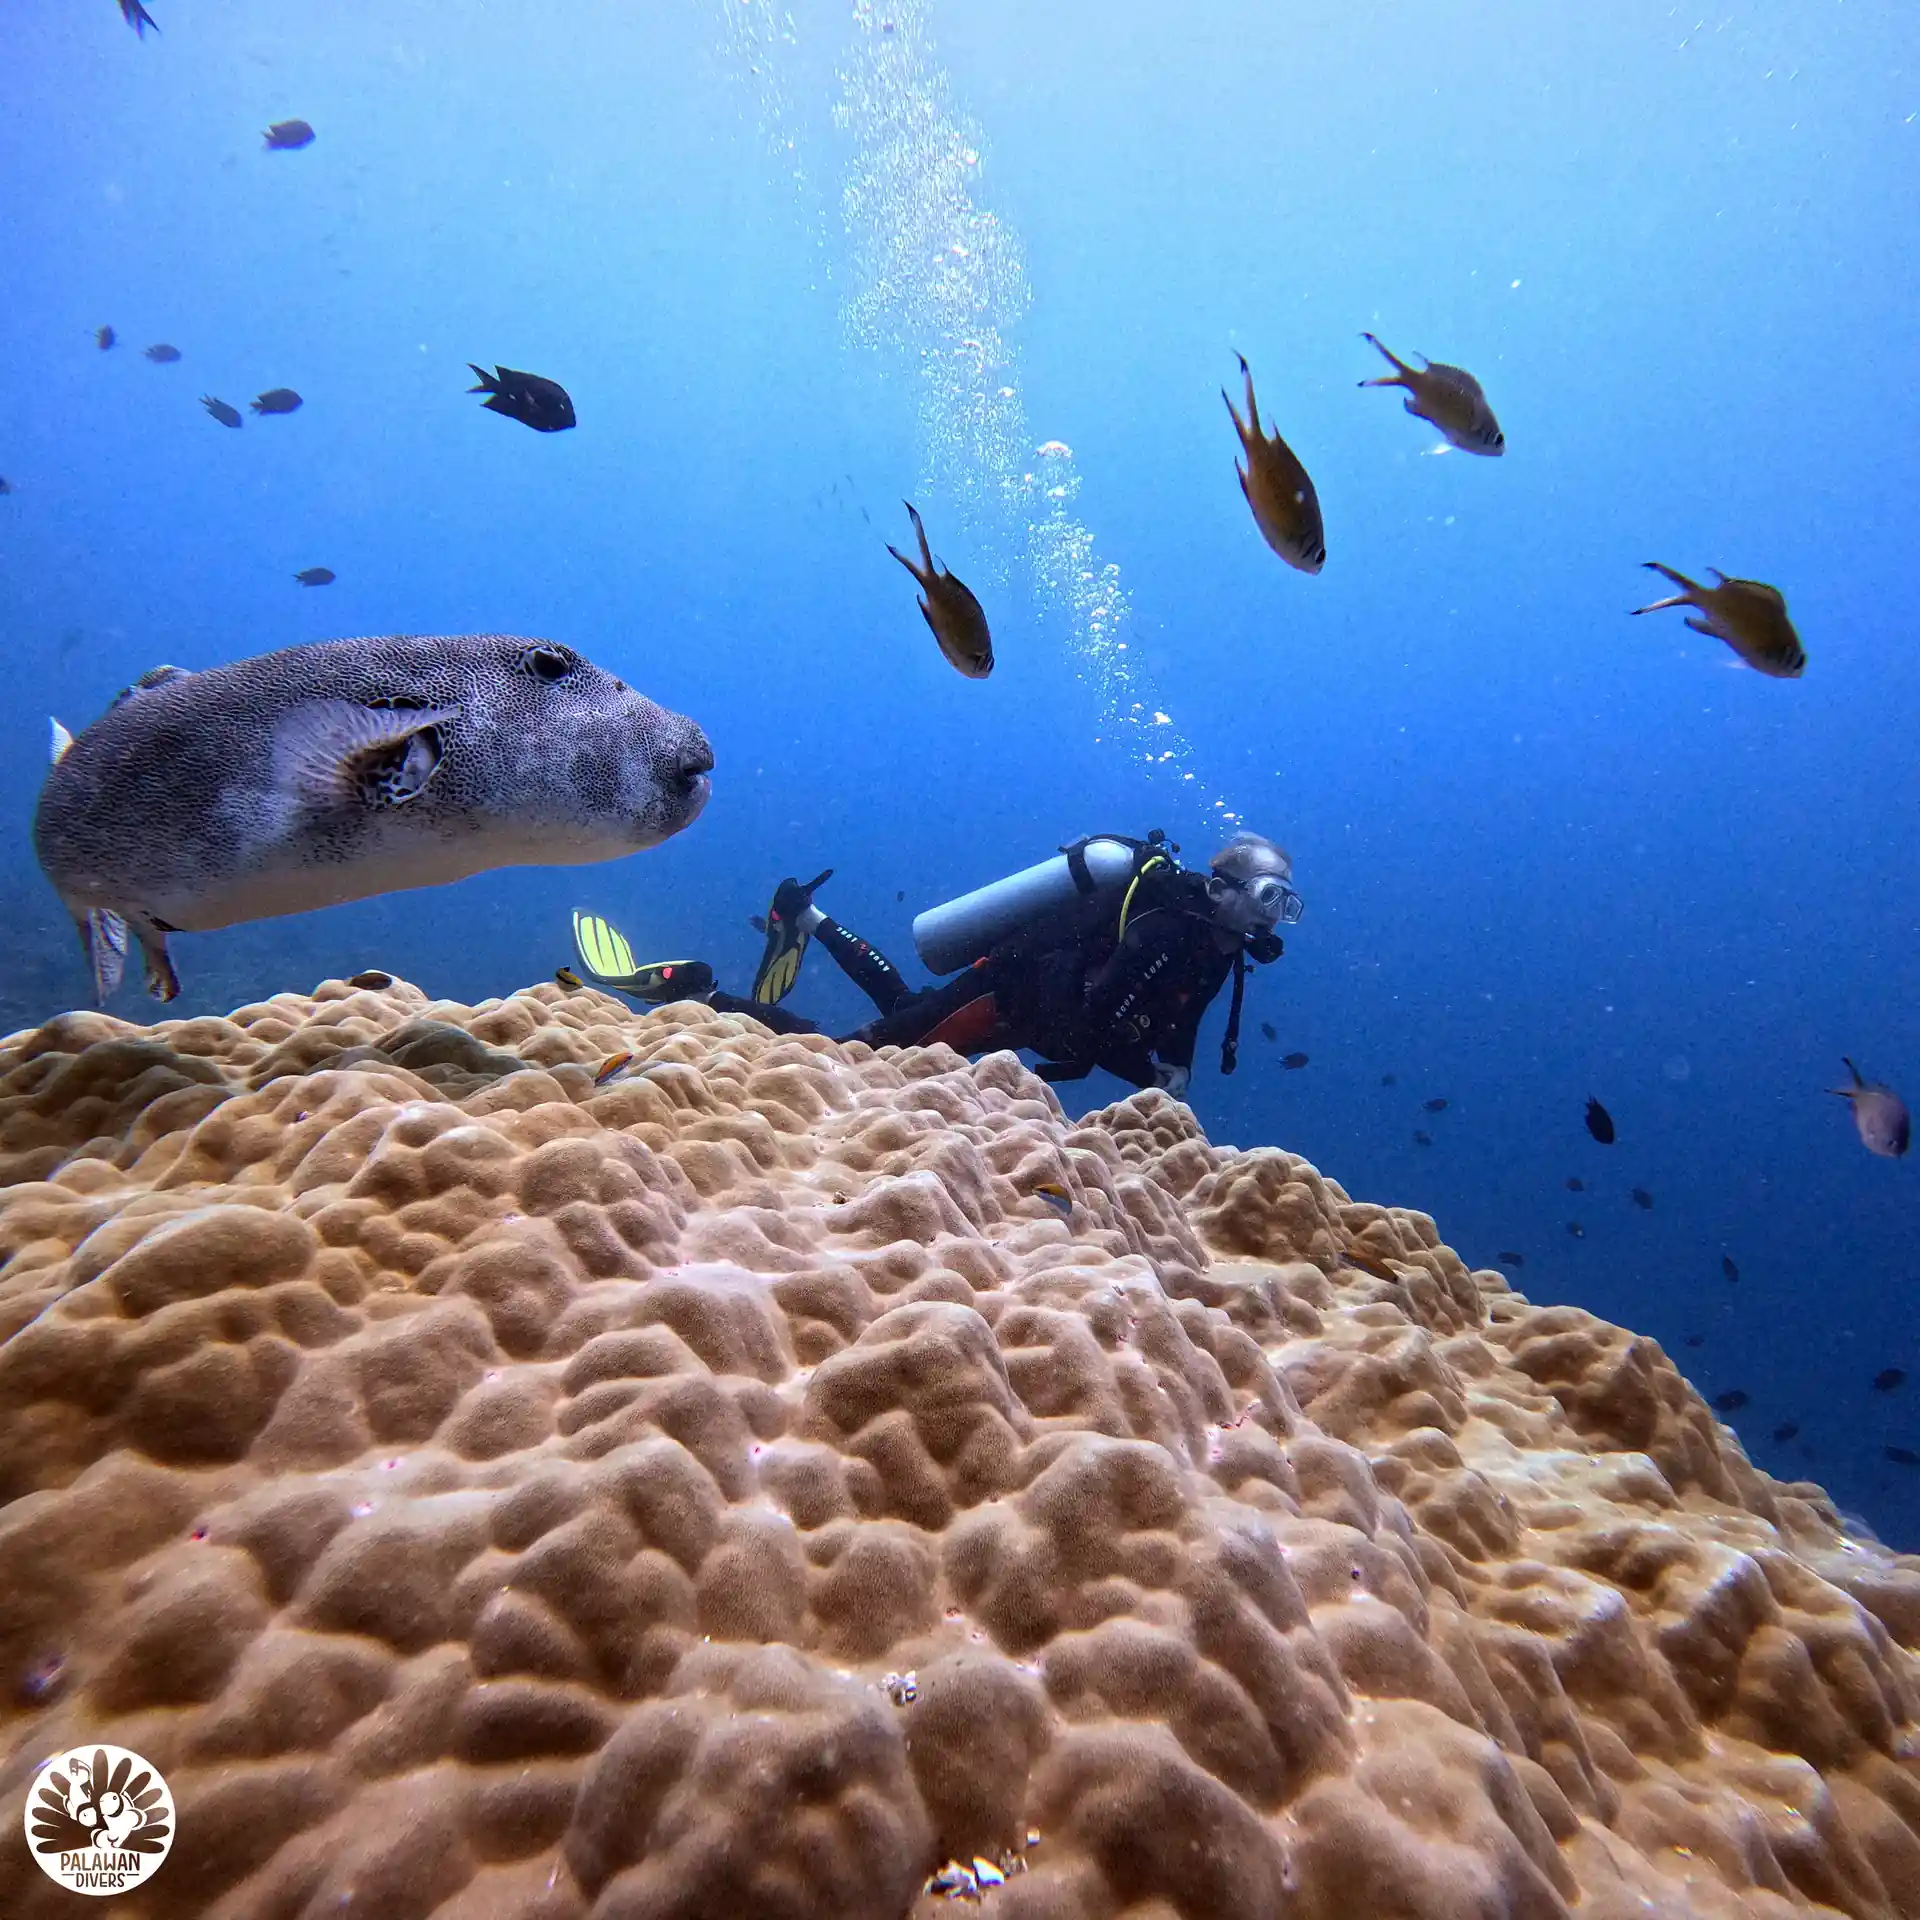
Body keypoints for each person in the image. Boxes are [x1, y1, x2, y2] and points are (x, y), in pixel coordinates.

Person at [570, 830, 1299, 1098]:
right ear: (1223, 889)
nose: (1275, 915)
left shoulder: (1216, 951)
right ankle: (710, 995)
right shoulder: (1167, 931)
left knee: (904, 1011)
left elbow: (1181, 1021)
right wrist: (1149, 1077)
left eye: (1287, 903)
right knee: (852, 1058)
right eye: (1269, 896)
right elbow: (1098, 1025)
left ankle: (806, 917)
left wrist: (1175, 1071)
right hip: (1006, 996)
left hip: (1025, 1016)